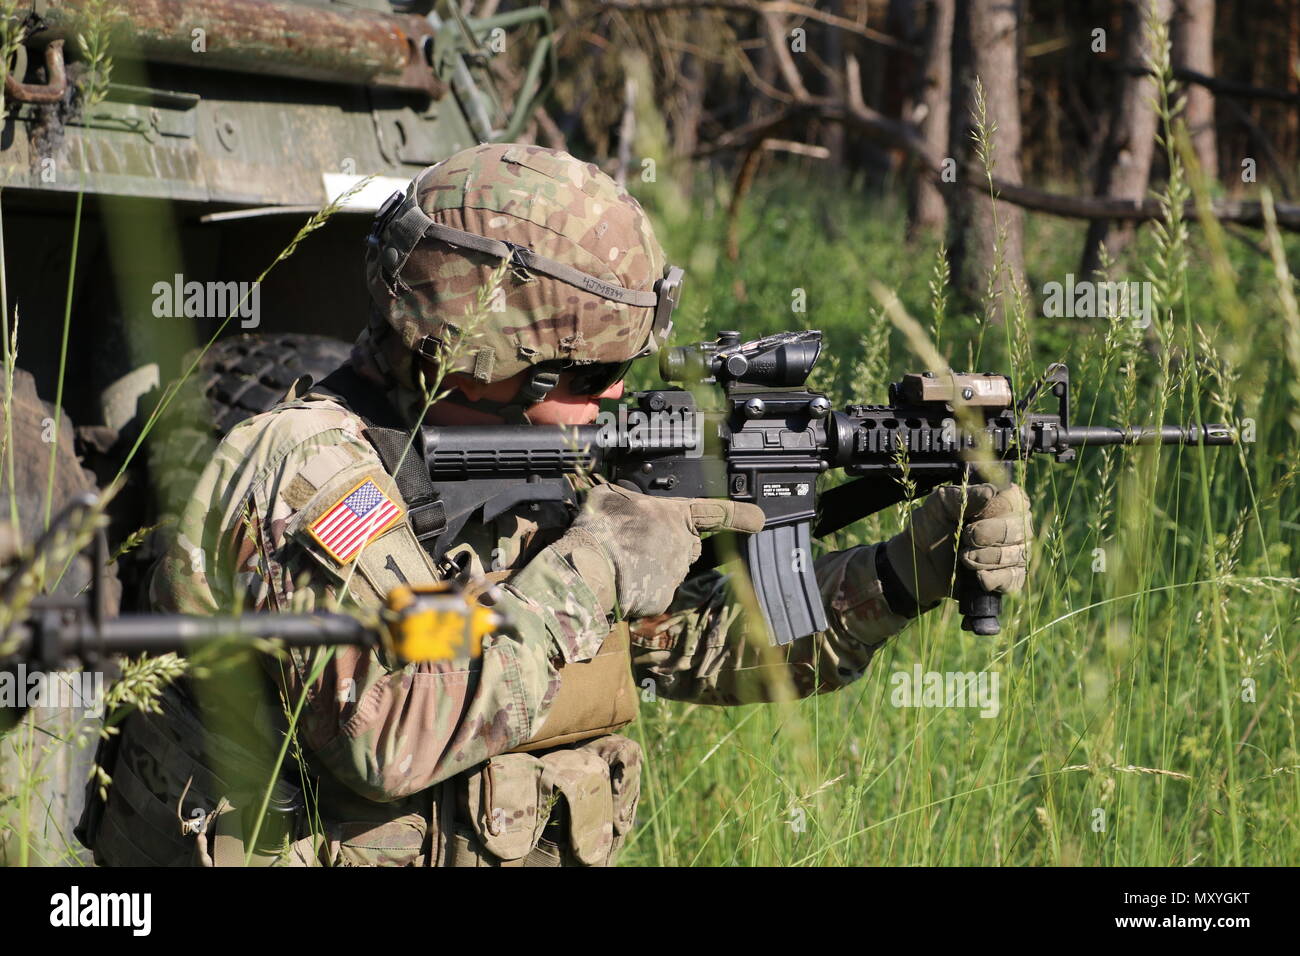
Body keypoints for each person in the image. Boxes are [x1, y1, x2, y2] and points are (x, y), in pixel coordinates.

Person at [79, 143, 1033, 867]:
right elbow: (390, 731)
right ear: (476, 352)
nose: (615, 398)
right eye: (586, 372)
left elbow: (696, 648)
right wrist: (593, 567)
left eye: (625, 371)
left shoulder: (550, 460)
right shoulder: (307, 473)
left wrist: (900, 576)